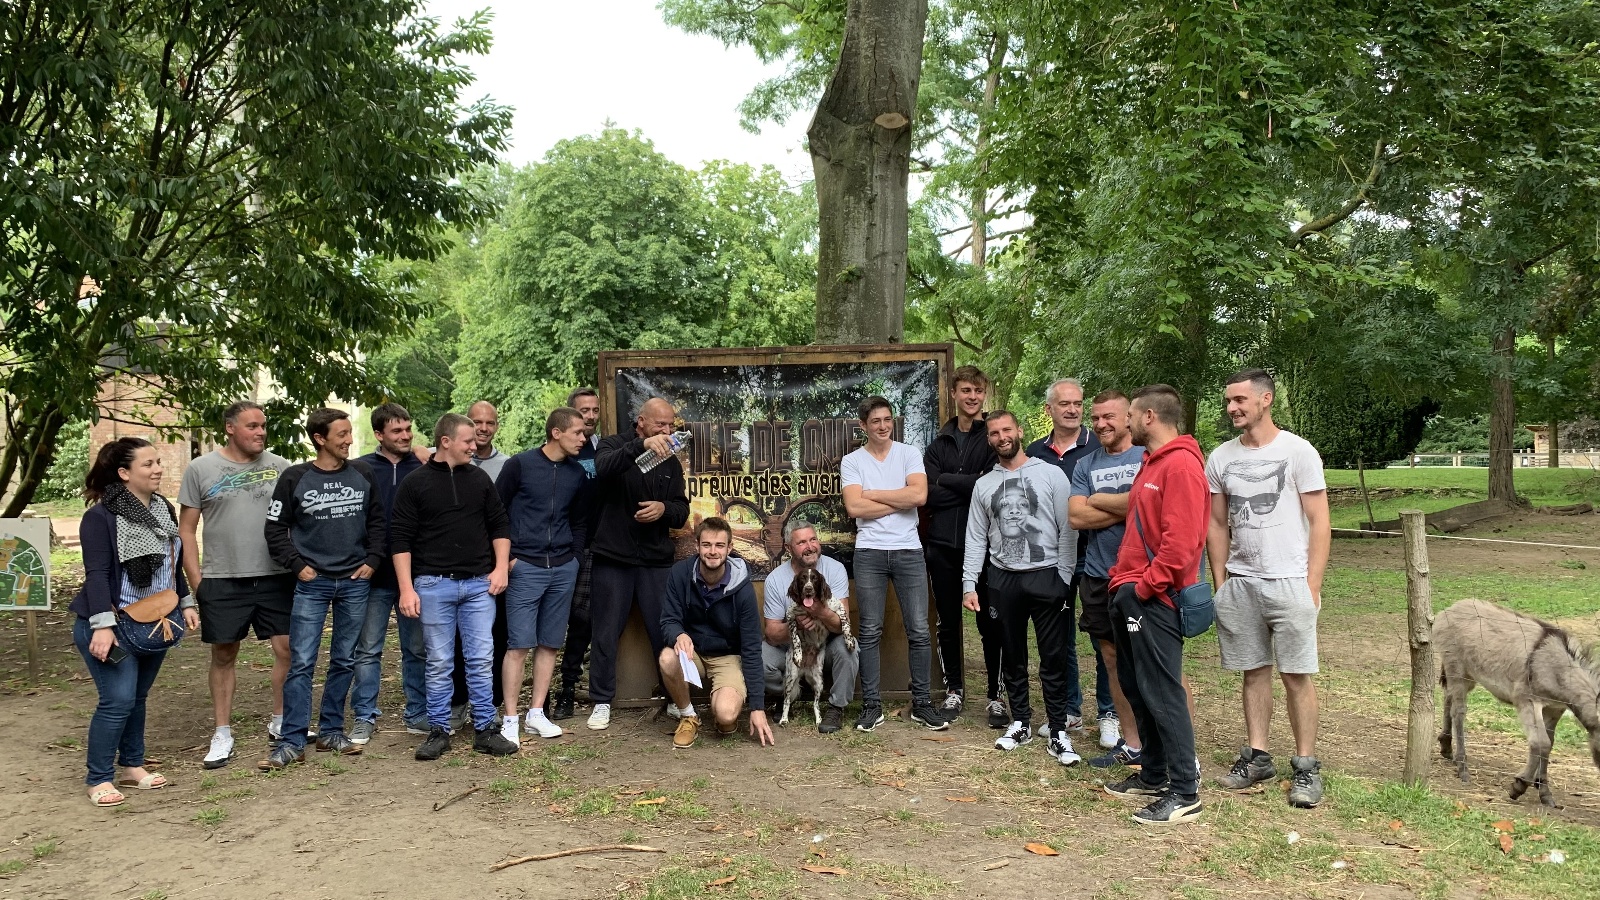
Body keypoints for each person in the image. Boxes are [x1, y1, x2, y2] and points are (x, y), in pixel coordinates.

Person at [1205, 368, 1331, 808]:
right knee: (1253, 671)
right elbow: (1217, 523)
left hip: (1290, 582)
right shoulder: (1220, 457)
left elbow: (1320, 520)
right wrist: (1222, 583)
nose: (1232, 408)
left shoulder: (1298, 452)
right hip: (1242, 584)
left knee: (1297, 675)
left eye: (1239, 400)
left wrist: (1311, 585)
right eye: (1228, 401)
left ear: (1265, 400)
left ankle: (1306, 766)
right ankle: (1257, 756)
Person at [70, 438, 201, 807]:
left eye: (158, 461)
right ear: (124, 473)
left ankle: (131, 765)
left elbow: (172, 566)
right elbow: (96, 575)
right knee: (117, 699)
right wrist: (102, 626)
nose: (158, 468)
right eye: (148, 464)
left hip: (155, 619)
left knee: (137, 698)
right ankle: (98, 778)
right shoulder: (100, 517)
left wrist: (186, 602)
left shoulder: (162, 510)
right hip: (112, 624)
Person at [1102, 385, 1208, 825]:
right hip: (1129, 591)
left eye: (1129, 415)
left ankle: (1185, 793)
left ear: (1148, 417)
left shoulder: (1181, 465)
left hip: (1154, 599)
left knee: (1163, 691)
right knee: (1136, 685)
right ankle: (1153, 774)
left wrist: (1145, 588)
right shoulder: (1152, 462)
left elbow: (1181, 545)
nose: (1123, 422)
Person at [258, 409, 387, 768]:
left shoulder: (363, 473)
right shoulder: (295, 478)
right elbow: (274, 529)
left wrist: (373, 560)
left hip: (354, 583)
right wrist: (298, 566)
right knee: (301, 662)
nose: (349, 440)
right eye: (341, 434)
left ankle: (332, 731)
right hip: (312, 586)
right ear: (320, 438)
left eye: (348, 434)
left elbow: (378, 521)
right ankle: (292, 741)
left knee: (344, 659)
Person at [391, 413, 518, 760]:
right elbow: (400, 539)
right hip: (432, 586)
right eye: (467, 441)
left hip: (478, 585)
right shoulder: (415, 484)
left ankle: (485, 729)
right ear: (446, 442)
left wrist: (499, 570)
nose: (474, 445)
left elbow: (499, 525)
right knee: (439, 661)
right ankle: (438, 730)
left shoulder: (479, 479)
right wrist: (406, 588)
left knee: (480, 659)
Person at [177, 400, 293, 769]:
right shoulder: (201, 469)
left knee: (288, 648)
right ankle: (222, 732)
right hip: (222, 578)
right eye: (252, 426)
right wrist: (198, 583)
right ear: (230, 428)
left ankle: (280, 721)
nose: (260, 432)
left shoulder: (281, 468)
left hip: (275, 576)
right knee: (224, 654)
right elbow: (186, 531)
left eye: (263, 426)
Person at [961, 412, 1080, 764]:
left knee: (1053, 656)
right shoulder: (984, 485)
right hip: (1002, 579)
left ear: (1020, 431)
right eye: (994, 433)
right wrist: (970, 583)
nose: (1001, 437)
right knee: (1012, 656)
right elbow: (975, 538)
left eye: (1007, 430)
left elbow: (1067, 527)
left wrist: (1064, 575)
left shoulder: (1050, 474)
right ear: (990, 440)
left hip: (1047, 576)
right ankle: (1021, 722)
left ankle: (1058, 729)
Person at [585, 397, 690, 730]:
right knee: (605, 631)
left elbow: (682, 508)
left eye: (671, 425)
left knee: (665, 630)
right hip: (613, 557)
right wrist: (642, 445)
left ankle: (676, 699)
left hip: (655, 560)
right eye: (661, 425)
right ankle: (601, 700)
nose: (667, 431)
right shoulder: (613, 444)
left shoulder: (670, 461)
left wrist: (663, 509)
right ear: (641, 422)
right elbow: (604, 467)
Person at [841, 396, 945, 732]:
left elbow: (918, 497)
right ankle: (872, 705)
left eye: (887, 420)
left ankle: (922, 704)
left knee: (918, 628)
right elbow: (854, 509)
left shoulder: (909, 453)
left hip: (908, 550)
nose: (883, 426)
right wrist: (895, 497)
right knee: (869, 631)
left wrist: (872, 494)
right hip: (869, 551)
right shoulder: (852, 461)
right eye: (875, 421)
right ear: (863, 426)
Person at [495, 407, 593, 743]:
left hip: (562, 566)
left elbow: (580, 521)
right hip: (525, 566)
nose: (584, 437)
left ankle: (536, 713)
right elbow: (496, 513)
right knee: (518, 645)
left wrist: (574, 558)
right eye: (578, 432)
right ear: (556, 432)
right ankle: (510, 718)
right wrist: (507, 559)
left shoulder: (577, 474)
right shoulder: (519, 465)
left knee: (550, 643)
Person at [1026, 377, 1115, 742]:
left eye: (1078, 403)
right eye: (1065, 404)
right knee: (1059, 639)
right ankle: (1069, 710)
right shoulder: (1033, 453)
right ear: (1049, 409)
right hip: (1052, 558)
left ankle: (1109, 713)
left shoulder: (1100, 446)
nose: (1073, 410)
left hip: (1096, 556)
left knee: (1103, 639)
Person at [1068, 390, 1147, 768]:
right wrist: (1130, 505)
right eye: (1096, 418)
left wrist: (1098, 499)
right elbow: (1077, 518)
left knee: (1159, 662)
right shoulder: (1086, 463)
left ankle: (1176, 749)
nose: (1101, 424)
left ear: (1128, 418)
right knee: (1112, 659)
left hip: (1144, 574)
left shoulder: (1147, 457)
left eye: (1109, 417)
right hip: (1099, 576)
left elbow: (1150, 505)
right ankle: (1132, 744)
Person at [921, 365, 1003, 723]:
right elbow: (928, 495)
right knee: (948, 622)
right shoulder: (938, 443)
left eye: (978, 391)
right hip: (943, 546)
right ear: (953, 394)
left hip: (987, 547)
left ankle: (995, 696)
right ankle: (954, 690)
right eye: (966, 390)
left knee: (991, 622)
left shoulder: (994, 438)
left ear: (985, 395)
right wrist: (969, 483)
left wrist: (948, 481)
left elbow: (990, 486)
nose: (972, 397)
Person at [657, 517, 775, 749]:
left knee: (727, 715)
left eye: (719, 545)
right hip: (694, 653)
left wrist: (758, 708)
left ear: (729, 548)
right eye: (707, 545)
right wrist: (678, 635)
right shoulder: (680, 574)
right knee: (667, 657)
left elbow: (751, 647)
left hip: (727, 657)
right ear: (697, 545)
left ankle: (720, 706)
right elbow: (668, 620)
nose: (713, 551)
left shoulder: (743, 589)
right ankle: (688, 715)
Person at [351, 403, 429, 741]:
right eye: (397, 431)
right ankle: (364, 716)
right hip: (374, 575)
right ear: (379, 434)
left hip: (415, 574)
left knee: (417, 648)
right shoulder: (360, 469)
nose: (406, 436)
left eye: (408, 429)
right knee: (368, 649)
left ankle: (418, 712)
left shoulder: (425, 465)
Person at [760, 521, 860, 734]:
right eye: (802, 542)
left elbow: (844, 624)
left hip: (825, 644)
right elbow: (770, 633)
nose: (810, 546)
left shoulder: (834, 569)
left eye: (813, 539)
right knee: (759, 659)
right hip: (791, 647)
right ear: (788, 548)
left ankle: (836, 707)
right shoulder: (775, 580)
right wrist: (794, 626)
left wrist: (820, 613)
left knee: (849, 648)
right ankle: (785, 696)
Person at [553, 386, 602, 720]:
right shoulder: (563, 455)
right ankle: (560, 689)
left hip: (603, 546)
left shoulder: (604, 449)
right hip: (567, 547)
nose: (590, 417)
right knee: (563, 620)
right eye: (584, 411)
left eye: (595, 411)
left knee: (588, 621)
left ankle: (576, 687)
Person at [468, 400, 509, 481]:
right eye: (477, 422)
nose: (484, 428)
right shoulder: (452, 459)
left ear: (497, 427)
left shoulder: (507, 465)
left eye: (490, 423)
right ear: (467, 424)